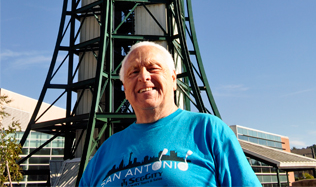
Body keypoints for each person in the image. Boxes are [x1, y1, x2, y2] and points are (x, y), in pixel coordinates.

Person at [79, 41, 261, 187]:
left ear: (173, 79)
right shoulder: (104, 152)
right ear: (125, 89)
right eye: (134, 72)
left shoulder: (208, 131)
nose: (144, 77)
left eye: (153, 68)